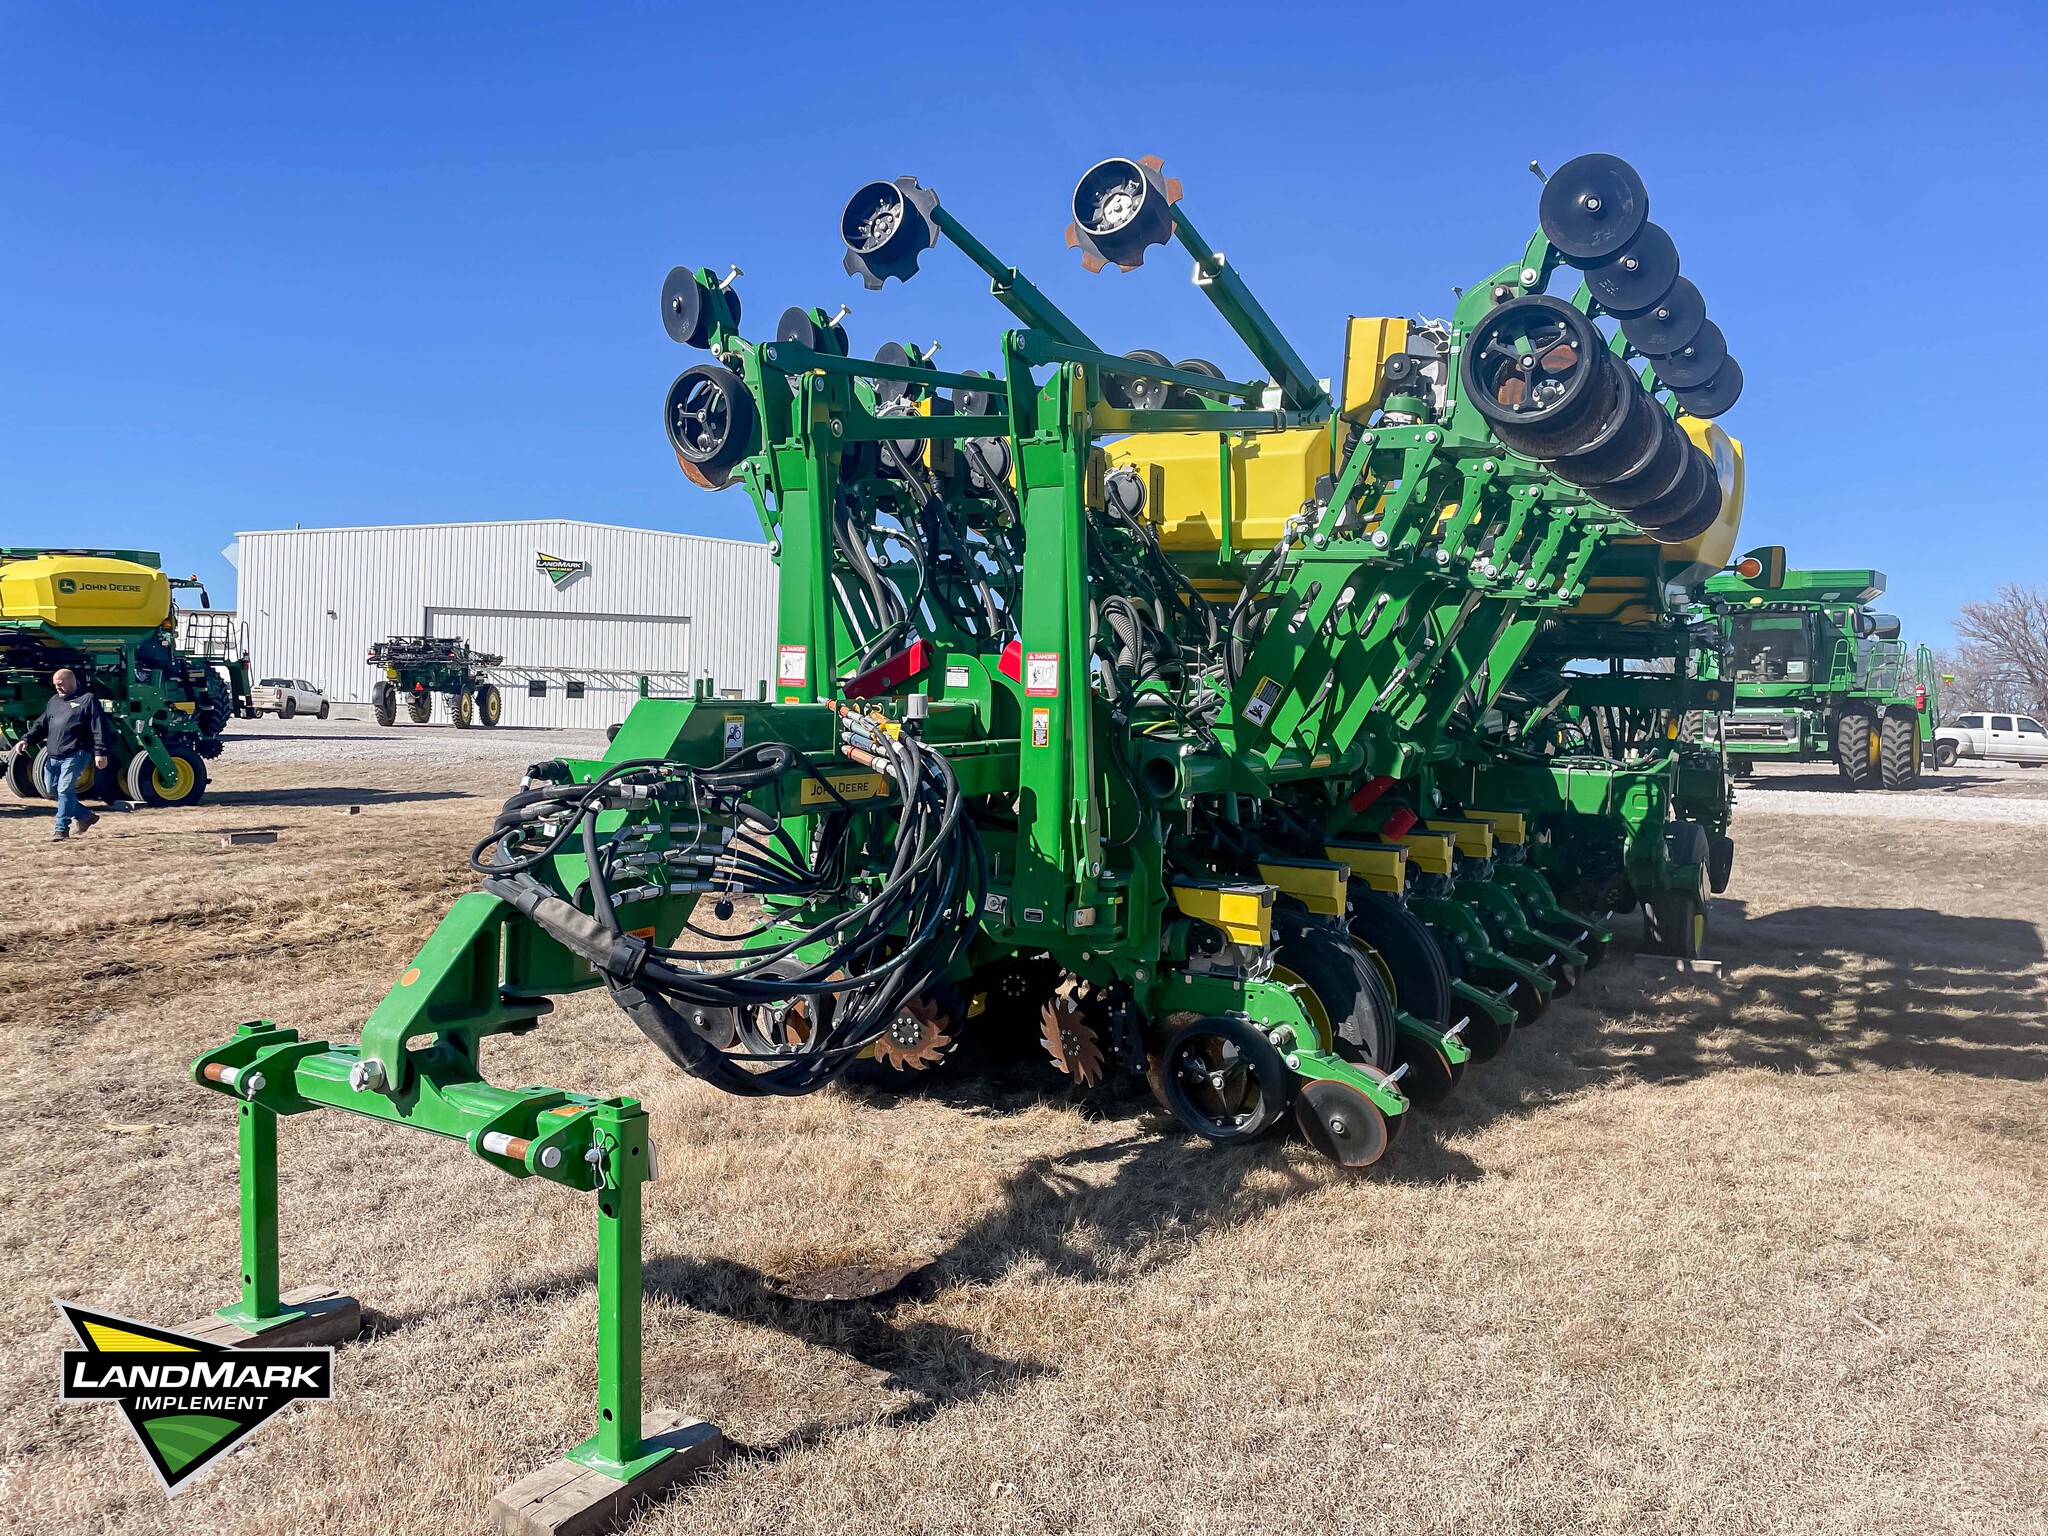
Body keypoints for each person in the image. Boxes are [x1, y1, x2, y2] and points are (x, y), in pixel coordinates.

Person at [11, 668, 113, 840]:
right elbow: (41, 725)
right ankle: (84, 815)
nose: (57, 687)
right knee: (52, 790)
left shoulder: (87, 700)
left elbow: (99, 727)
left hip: (76, 752)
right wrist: (26, 740)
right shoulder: (54, 701)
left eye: (60, 684)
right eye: (55, 685)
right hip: (53, 755)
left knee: (65, 789)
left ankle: (61, 830)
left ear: (72, 682)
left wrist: (100, 752)